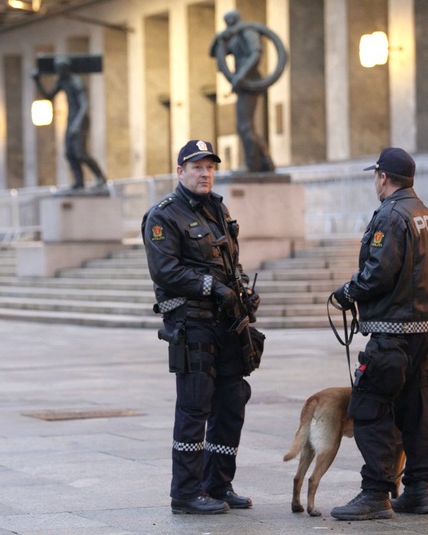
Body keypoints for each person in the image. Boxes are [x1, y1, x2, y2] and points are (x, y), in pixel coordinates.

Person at [329, 147, 428, 521]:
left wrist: (348, 292)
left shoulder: (391, 215)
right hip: (424, 334)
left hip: (391, 334)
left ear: (383, 177)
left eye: (375, 176)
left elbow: (379, 272)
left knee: (367, 407)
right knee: (416, 412)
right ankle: (418, 490)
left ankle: (376, 493)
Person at [141, 139, 261, 515]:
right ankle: (186, 492)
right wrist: (214, 288)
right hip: (191, 325)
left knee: (231, 403)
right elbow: (166, 271)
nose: (205, 173)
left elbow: (230, 262)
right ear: (180, 172)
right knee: (194, 408)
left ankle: (218, 484)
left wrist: (240, 292)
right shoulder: (163, 216)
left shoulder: (218, 209)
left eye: (210, 167)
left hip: (226, 325)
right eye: (197, 167)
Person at [210, 10, 274, 173]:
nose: (228, 23)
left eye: (230, 20)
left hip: (250, 81)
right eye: (226, 21)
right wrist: (220, 37)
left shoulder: (248, 31)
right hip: (242, 84)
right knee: (246, 126)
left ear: (236, 18)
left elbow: (256, 52)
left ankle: (253, 165)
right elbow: (214, 52)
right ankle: (265, 162)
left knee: (244, 126)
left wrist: (241, 74)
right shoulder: (235, 37)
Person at [32, 55, 106, 190]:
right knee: (69, 154)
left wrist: (77, 124)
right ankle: (79, 182)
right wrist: (37, 81)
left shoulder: (76, 82)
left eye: (60, 69)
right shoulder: (63, 81)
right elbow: (48, 96)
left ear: (66, 68)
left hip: (80, 120)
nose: (58, 72)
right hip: (71, 119)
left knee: (81, 154)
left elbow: (84, 105)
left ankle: (100, 177)